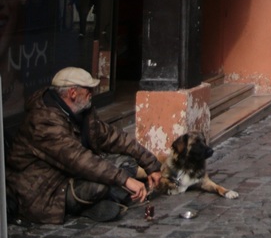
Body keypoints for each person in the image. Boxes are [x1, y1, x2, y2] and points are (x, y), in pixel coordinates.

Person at [6, 67, 163, 224]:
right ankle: (90, 205)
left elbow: (113, 137)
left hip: (70, 173)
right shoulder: (44, 121)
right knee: (100, 185)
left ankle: (101, 200)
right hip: (45, 189)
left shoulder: (81, 112)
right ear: (73, 93)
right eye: (88, 90)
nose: (91, 94)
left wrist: (151, 164)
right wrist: (125, 180)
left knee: (125, 163)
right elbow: (79, 159)